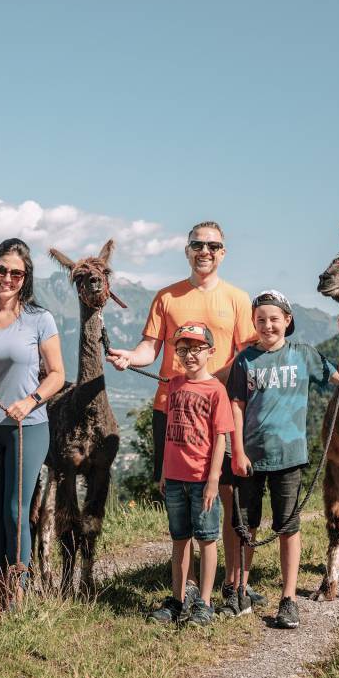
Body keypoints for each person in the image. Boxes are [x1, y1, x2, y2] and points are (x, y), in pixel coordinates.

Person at [105, 221, 255, 555]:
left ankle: (230, 584)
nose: (205, 251)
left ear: (223, 253)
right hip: (171, 409)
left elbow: (246, 354)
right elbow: (150, 348)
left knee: (227, 494)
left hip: (219, 411)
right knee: (177, 495)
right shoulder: (167, 297)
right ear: (187, 251)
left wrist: (211, 382)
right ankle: (184, 587)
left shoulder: (237, 299)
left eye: (213, 246)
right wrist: (130, 357)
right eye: (198, 245)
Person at [223, 290, 339, 628]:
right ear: (254, 323)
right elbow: (236, 408)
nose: (267, 325)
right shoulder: (244, 360)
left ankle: (288, 598)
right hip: (249, 457)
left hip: (289, 456)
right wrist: (236, 450)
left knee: (287, 527)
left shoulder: (303, 355)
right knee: (245, 526)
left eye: (274, 319)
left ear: (287, 321)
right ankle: (240, 589)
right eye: (261, 319)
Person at [0, 238, 65, 617]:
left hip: (28, 428)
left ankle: (17, 592)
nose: (7, 278)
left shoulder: (40, 319)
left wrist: (31, 401)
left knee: (16, 512)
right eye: (1, 270)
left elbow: (57, 375)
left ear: (26, 278)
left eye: (15, 273)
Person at [145, 322, 233, 627]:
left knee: (207, 539)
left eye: (196, 349)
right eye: (182, 350)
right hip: (175, 479)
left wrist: (212, 481)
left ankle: (205, 602)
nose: (189, 355)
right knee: (179, 539)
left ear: (210, 352)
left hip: (201, 480)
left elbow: (221, 437)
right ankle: (178, 598)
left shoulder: (216, 390)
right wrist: (165, 473)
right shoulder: (175, 385)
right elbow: (171, 432)